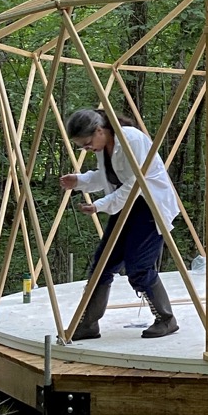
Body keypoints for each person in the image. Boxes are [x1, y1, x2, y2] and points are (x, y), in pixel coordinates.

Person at [60, 108, 181, 341]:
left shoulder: (131, 139)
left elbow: (136, 182)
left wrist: (101, 205)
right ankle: (89, 324)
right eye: (82, 147)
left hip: (148, 205)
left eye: (86, 144)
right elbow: (106, 176)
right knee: (102, 265)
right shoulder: (103, 146)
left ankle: (166, 319)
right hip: (126, 205)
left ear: (99, 130)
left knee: (139, 266)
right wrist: (80, 180)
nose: (87, 149)